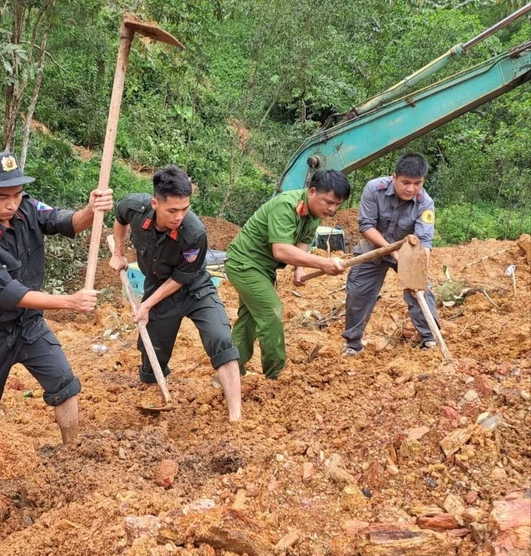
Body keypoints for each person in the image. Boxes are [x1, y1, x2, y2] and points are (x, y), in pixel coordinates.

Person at [0, 152, 113, 445]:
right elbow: (13, 294)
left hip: (29, 325)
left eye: (17, 194)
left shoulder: (25, 207)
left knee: (65, 385)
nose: (12, 204)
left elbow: (67, 222)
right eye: (2, 196)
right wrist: (71, 302)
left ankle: (70, 451)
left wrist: (91, 210)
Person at [110, 165, 242, 421]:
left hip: (195, 289)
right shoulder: (135, 208)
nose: (179, 216)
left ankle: (235, 417)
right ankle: (153, 401)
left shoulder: (194, 233)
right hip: (158, 286)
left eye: (185, 209)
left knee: (221, 339)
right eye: (172, 210)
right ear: (155, 203)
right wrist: (119, 252)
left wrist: (147, 305)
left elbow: (182, 277)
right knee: (153, 353)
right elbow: (119, 216)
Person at [226, 170, 350, 379]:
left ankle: (231, 370)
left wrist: (299, 268)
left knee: (249, 320)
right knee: (271, 312)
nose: (332, 209)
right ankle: (276, 375)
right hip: (244, 264)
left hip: (264, 269)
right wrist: (324, 262)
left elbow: (303, 240)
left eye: (337, 205)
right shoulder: (286, 205)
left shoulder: (315, 213)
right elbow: (281, 250)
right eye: (329, 202)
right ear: (312, 191)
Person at [342, 153, 439, 356]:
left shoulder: (425, 203)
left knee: (421, 291)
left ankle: (430, 340)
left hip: (408, 252)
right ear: (394, 177)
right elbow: (366, 226)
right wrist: (392, 251)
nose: (411, 189)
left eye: (417, 183)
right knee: (358, 292)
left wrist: (419, 270)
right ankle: (353, 344)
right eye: (405, 182)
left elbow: (424, 242)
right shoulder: (374, 189)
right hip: (373, 246)